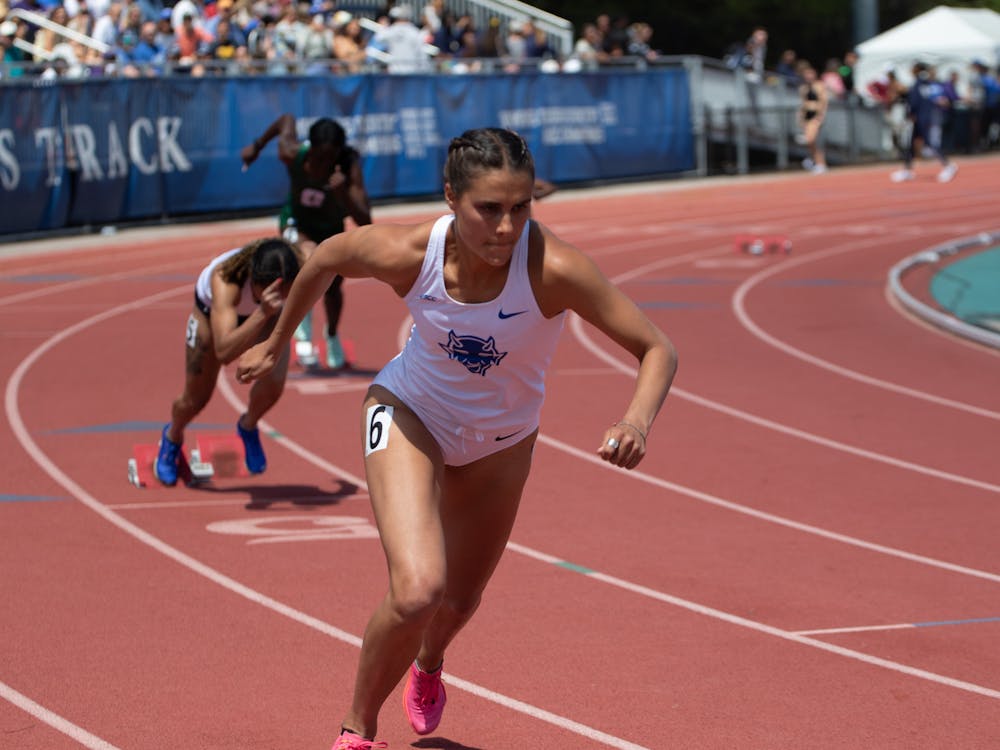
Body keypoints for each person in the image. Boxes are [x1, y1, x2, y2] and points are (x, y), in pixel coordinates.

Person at [236, 127, 678, 749]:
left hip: (502, 442)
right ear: (451, 197)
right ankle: (357, 729)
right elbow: (329, 256)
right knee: (419, 589)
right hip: (412, 410)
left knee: (460, 601)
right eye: (489, 209)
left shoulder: (554, 270)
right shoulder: (410, 254)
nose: (506, 228)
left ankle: (429, 664)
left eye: (521, 208)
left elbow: (657, 348)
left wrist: (635, 421)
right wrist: (277, 340)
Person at [154, 237, 301, 486]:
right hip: (212, 318)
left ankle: (248, 425)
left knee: (274, 383)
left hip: (268, 315)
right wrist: (263, 311)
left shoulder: (298, 265)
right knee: (196, 399)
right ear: (254, 282)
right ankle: (172, 436)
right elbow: (224, 352)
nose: (282, 298)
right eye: (277, 294)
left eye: (286, 293)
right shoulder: (226, 280)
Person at [241, 113, 373, 369]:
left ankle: (332, 334)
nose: (324, 163)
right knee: (309, 259)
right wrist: (257, 147)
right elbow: (285, 120)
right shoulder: (292, 153)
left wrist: (342, 193)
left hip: (330, 228)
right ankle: (302, 330)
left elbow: (365, 220)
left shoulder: (347, 166)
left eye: (330, 157)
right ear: (309, 148)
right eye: (320, 157)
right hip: (296, 224)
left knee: (333, 287)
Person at [891, 62, 958, 183]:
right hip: (922, 117)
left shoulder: (920, 83)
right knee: (911, 144)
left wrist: (911, 112)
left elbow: (916, 100)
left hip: (922, 117)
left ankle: (948, 165)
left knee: (930, 143)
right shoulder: (927, 83)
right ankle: (907, 170)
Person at [797, 62, 828, 174]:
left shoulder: (819, 86)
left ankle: (819, 163)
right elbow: (802, 105)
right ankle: (815, 161)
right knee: (811, 143)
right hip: (807, 117)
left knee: (811, 139)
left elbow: (823, 103)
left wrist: (820, 116)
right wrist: (800, 118)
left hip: (815, 117)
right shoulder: (803, 88)